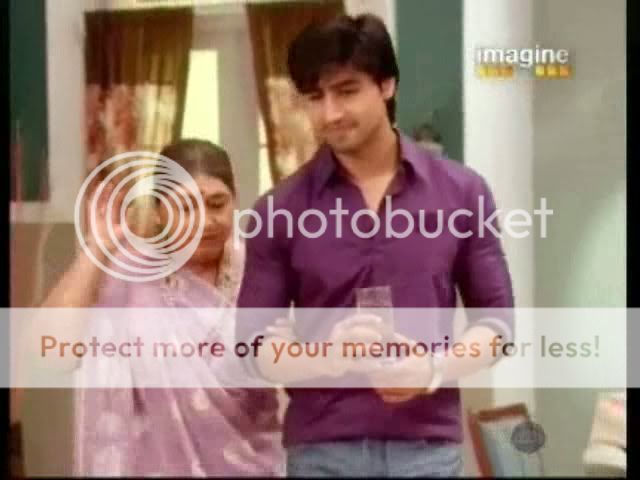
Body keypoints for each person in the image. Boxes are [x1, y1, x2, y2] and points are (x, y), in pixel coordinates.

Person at [235, 14, 515, 477]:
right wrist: (325, 358)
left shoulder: (462, 192)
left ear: (387, 85)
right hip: (321, 453)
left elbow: (498, 325)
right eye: (315, 98)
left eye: (346, 91)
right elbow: (253, 346)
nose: (330, 113)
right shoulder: (277, 209)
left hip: (427, 450)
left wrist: (432, 369)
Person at [40, 139, 285, 476]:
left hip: (254, 462)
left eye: (217, 204)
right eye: (185, 208)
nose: (205, 221)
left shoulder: (260, 268)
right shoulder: (128, 274)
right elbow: (50, 354)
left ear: (235, 201)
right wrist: (98, 249)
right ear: (157, 210)